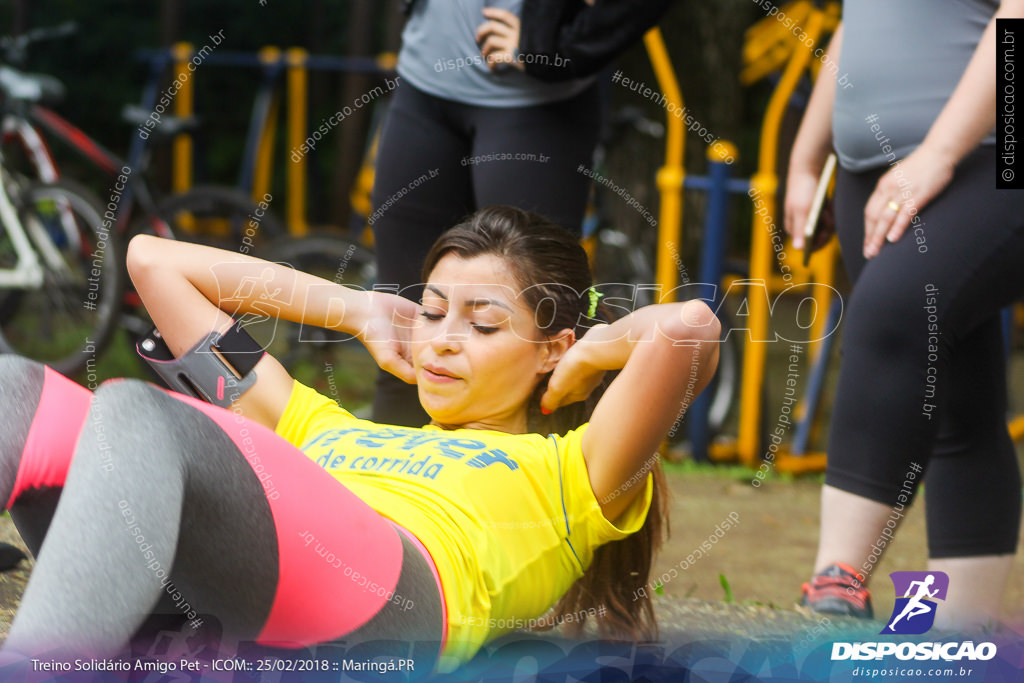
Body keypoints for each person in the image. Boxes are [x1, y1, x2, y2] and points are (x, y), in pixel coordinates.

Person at [0, 206, 719, 672]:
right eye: (432, 313)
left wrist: (588, 354)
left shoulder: (571, 470)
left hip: (396, 600)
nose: (442, 341)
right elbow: (154, 263)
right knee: (12, 384)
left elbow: (689, 329)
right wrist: (357, 308)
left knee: (133, 410)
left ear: (547, 347)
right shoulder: (319, 425)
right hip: (233, 583)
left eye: (484, 323)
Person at [784, 0, 1024, 628]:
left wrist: (939, 152)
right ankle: (966, 626)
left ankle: (837, 582)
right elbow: (857, 26)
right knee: (956, 400)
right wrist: (809, 158)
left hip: (990, 157)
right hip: (875, 167)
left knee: (892, 314)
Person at [370, 0, 674, 427]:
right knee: (405, 331)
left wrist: (557, 46)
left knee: (543, 344)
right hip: (422, 85)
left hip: (533, 104)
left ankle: (548, 487)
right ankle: (387, 488)